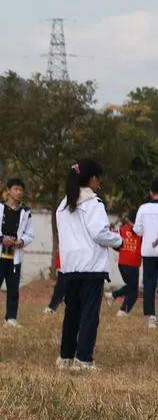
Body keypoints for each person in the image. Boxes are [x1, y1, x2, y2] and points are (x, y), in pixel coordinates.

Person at [55, 159, 121, 371]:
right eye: (98, 177)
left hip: (69, 268)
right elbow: (99, 233)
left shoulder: (63, 205)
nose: (99, 182)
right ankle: (83, 360)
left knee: (71, 314)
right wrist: (118, 241)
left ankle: (65, 357)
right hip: (91, 268)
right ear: (92, 178)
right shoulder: (93, 203)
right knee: (89, 315)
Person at [0, 177, 34, 327]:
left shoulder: (26, 212)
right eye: (15, 189)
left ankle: (11, 319)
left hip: (15, 257)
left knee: (13, 288)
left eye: (20, 190)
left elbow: (30, 234)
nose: (18, 192)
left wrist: (22, 241)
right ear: (8, 191)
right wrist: (0, 238)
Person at [107, 210, 142, 317]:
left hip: (122, 263)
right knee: (134, 291)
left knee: (131, 287)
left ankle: (113, 295)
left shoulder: (122, 229)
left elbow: (115, 243)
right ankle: (122, 311)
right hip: (132, 263)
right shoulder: (141, 232)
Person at [134, 179, 158, 330]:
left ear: (151, 192)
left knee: (149, 283)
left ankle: (151, 316)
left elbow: (137, 230)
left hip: (148, 251)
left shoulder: (143, 208)